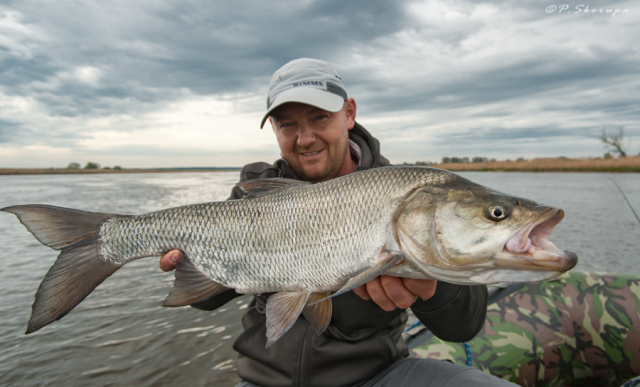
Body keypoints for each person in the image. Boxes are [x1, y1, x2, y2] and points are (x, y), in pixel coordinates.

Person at [159, 58, 515, 387]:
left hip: (375, 376)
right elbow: (202, 301)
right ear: (273, 128)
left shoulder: (404, 194)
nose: (305, 139)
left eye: (319, 118)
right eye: (288, 125)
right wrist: (188, 260)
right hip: (264, 379)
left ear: (349, 113)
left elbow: (464, 327)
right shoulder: (255, 196)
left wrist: (433, 287)